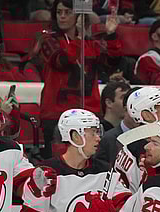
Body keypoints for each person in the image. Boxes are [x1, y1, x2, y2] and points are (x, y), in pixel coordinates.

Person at [18, 109, 129, 212]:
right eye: (93, 132)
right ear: (76, 136)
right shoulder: (47, 172)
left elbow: (128, 209)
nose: (99, 137)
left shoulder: (106, 172)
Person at [39, 0, 122, 158]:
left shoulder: (91, 43)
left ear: (79, 16)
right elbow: (61, 61)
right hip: (57, 112)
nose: (62, 17)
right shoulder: (48, 40)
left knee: (91, 159)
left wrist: (111, 35)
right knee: (60, 161)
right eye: (59, 12)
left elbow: (112, 62)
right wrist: (79, 39)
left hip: (89, 110)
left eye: (67, 12)